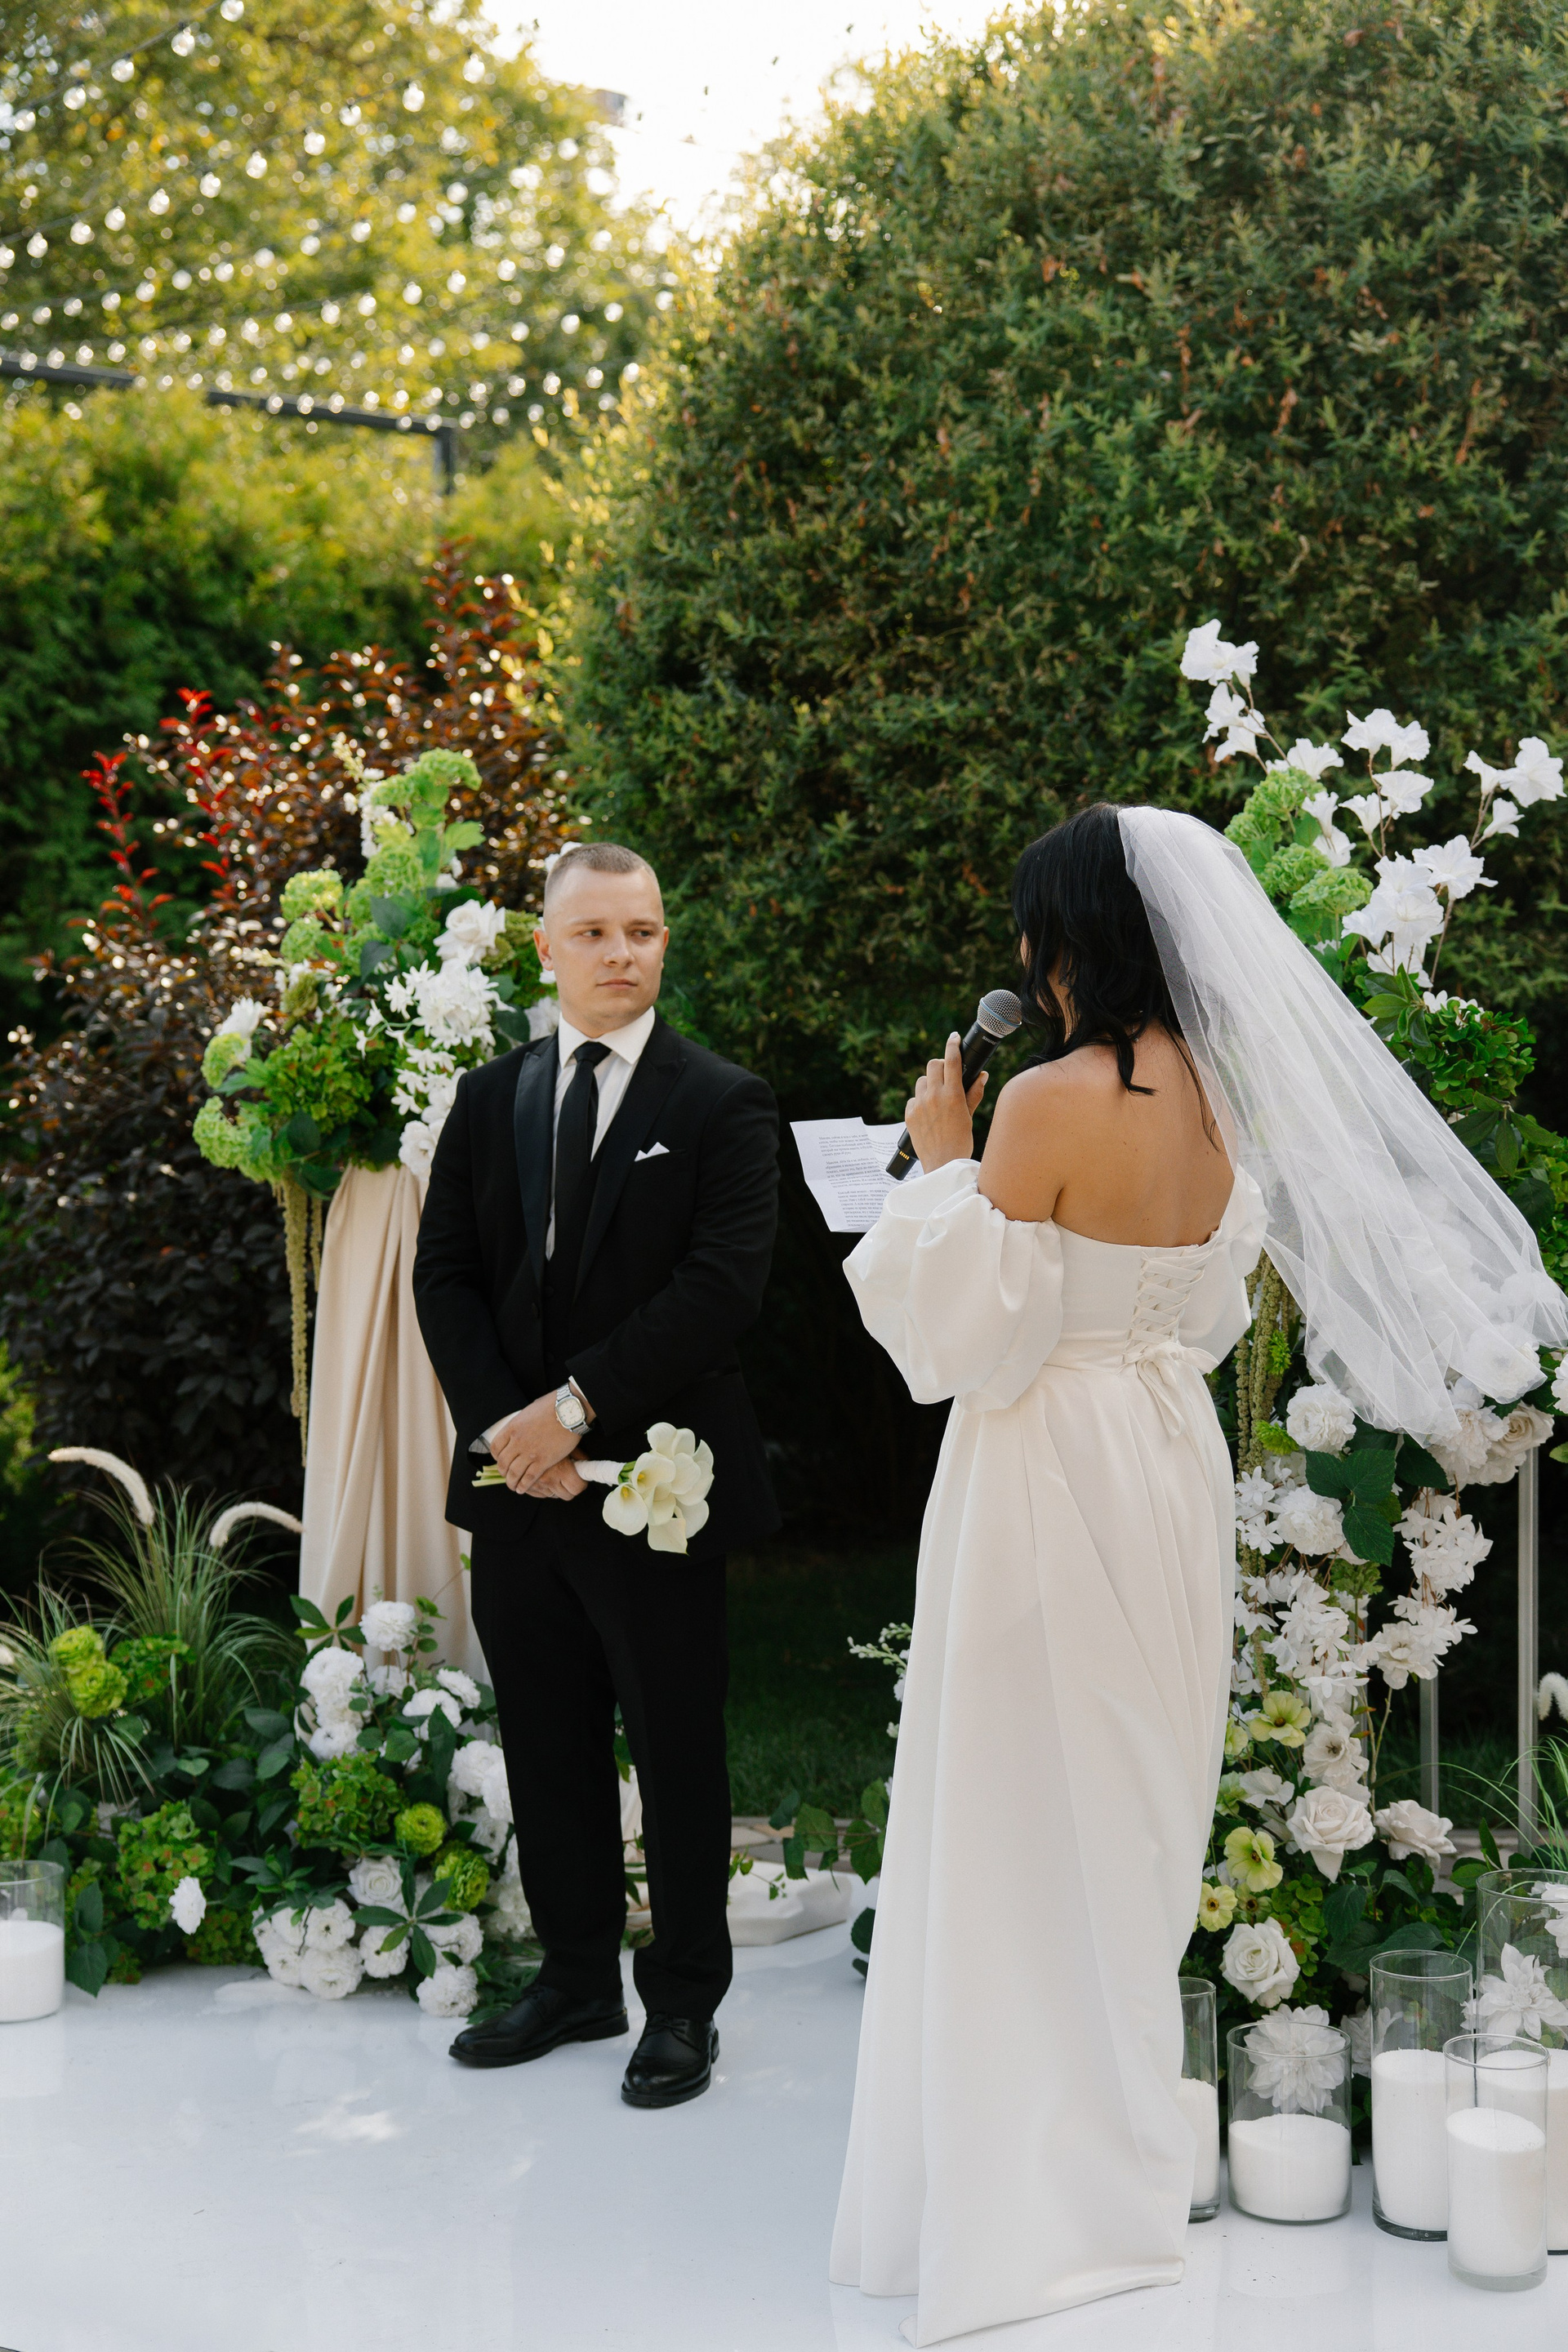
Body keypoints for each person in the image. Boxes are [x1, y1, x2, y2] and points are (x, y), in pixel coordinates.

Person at [830, 803, 1568, 2343]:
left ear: (1072, 937)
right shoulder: (1233, 1097)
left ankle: (1026, 2208)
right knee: (1130, 1808)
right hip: (1167, 1461)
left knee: (1020, 1809)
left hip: (1045, 1463)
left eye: (1035, 928)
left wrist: (941, 1164)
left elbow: (972, 1334)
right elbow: (1210, 1309)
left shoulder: (1045, 1101)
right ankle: (1116, 2181)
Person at [412, 840, 780, 2108]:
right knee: (544, 1738)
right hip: (519, 1490)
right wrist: (511, 1435)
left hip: (653, 1485)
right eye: (596, 932)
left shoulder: (722, 1101)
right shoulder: (488, 1097)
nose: (623, 953)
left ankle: (682, 2002)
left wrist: (573, 1412)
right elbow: (445, 1275)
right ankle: (574, 1977)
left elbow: (721, 1290)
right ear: (546, 947)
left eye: (644, 930)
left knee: (676, 1748)